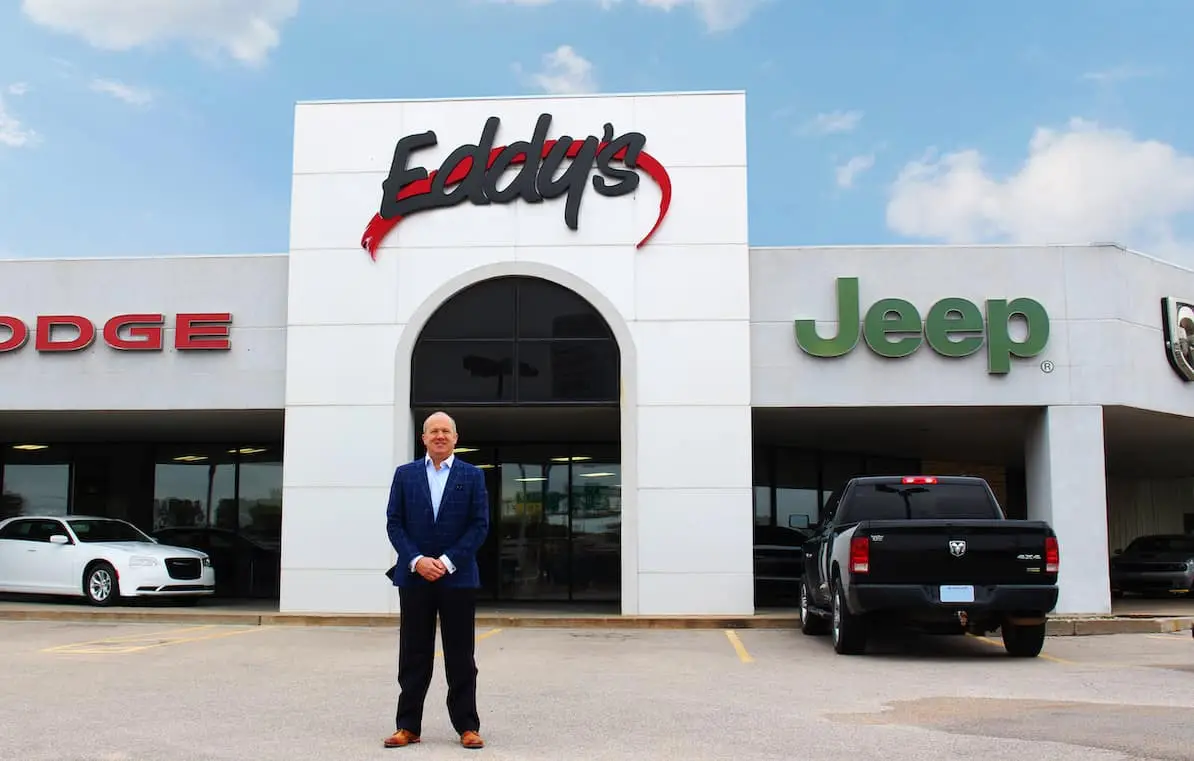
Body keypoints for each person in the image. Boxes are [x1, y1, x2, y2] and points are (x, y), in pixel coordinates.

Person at [383, 411, 490, 750]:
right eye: (433, 431)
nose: (440, 436)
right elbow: (394, 523)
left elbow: (479, 526)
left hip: (457, 578)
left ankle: (467, 727)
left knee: (461, 657)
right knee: (413, 654)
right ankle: (407, 726)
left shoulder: (472, 476)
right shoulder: (405, 475)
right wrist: (416, 561)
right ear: (424, 438)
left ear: (455, 438)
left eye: (446, 431)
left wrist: (445, 562)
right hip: (415, 578)